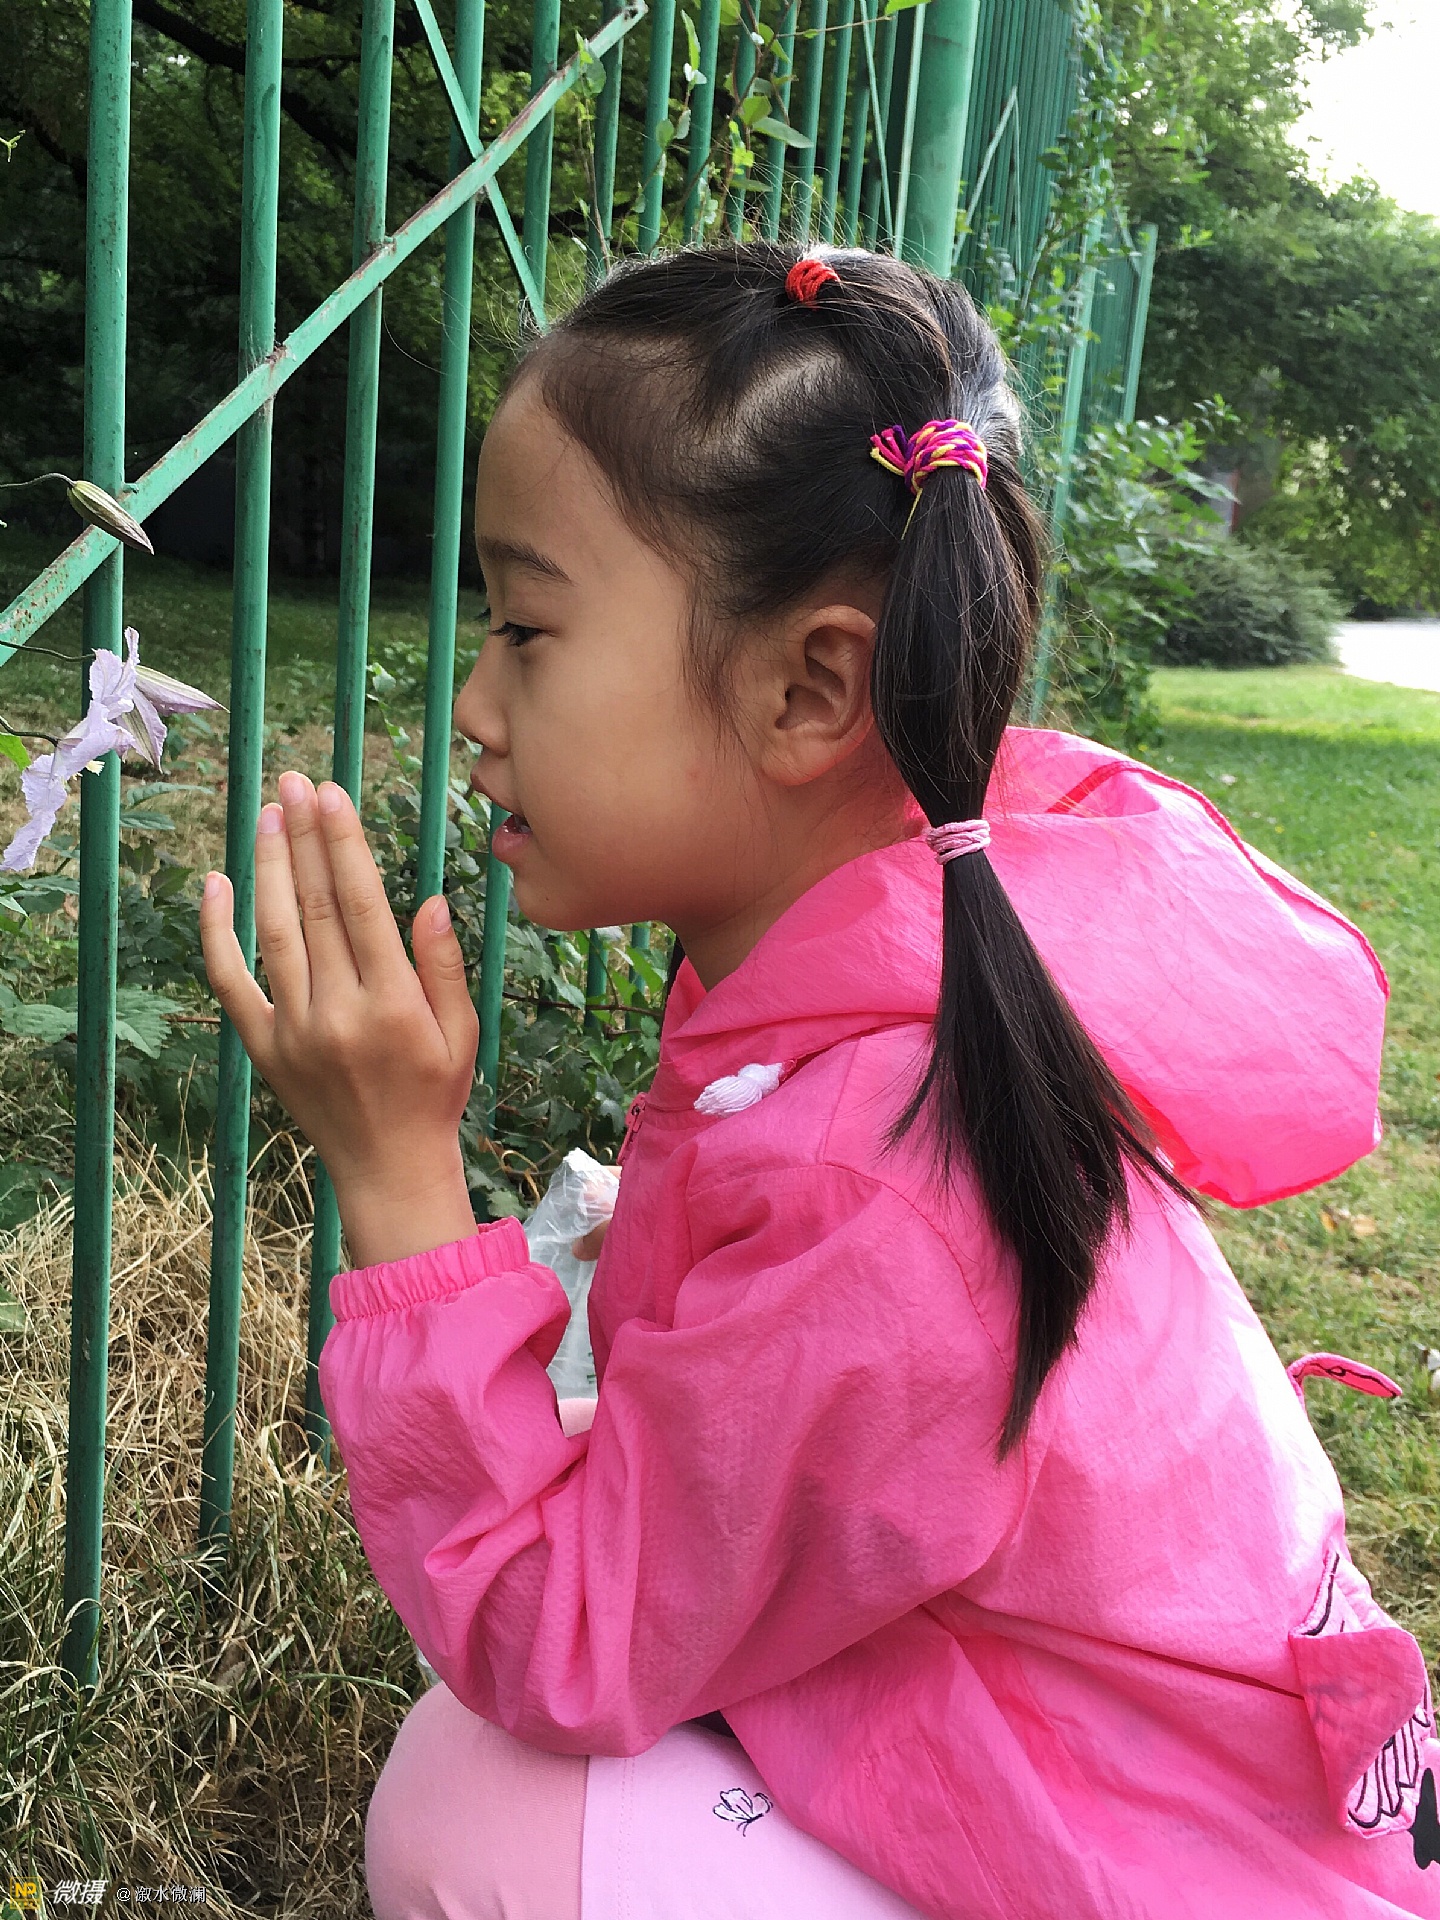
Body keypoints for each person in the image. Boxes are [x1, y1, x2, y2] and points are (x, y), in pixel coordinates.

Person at [199, 243, 1440, 1920]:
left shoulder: (879, 1174)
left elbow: (561, 1633)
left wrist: (398, 1174)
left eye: (528, 628)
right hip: (1162, 1804)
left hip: (1181, 1876)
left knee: (479, 1811)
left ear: (810, 688)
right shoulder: (905, 963)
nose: (476, 705)